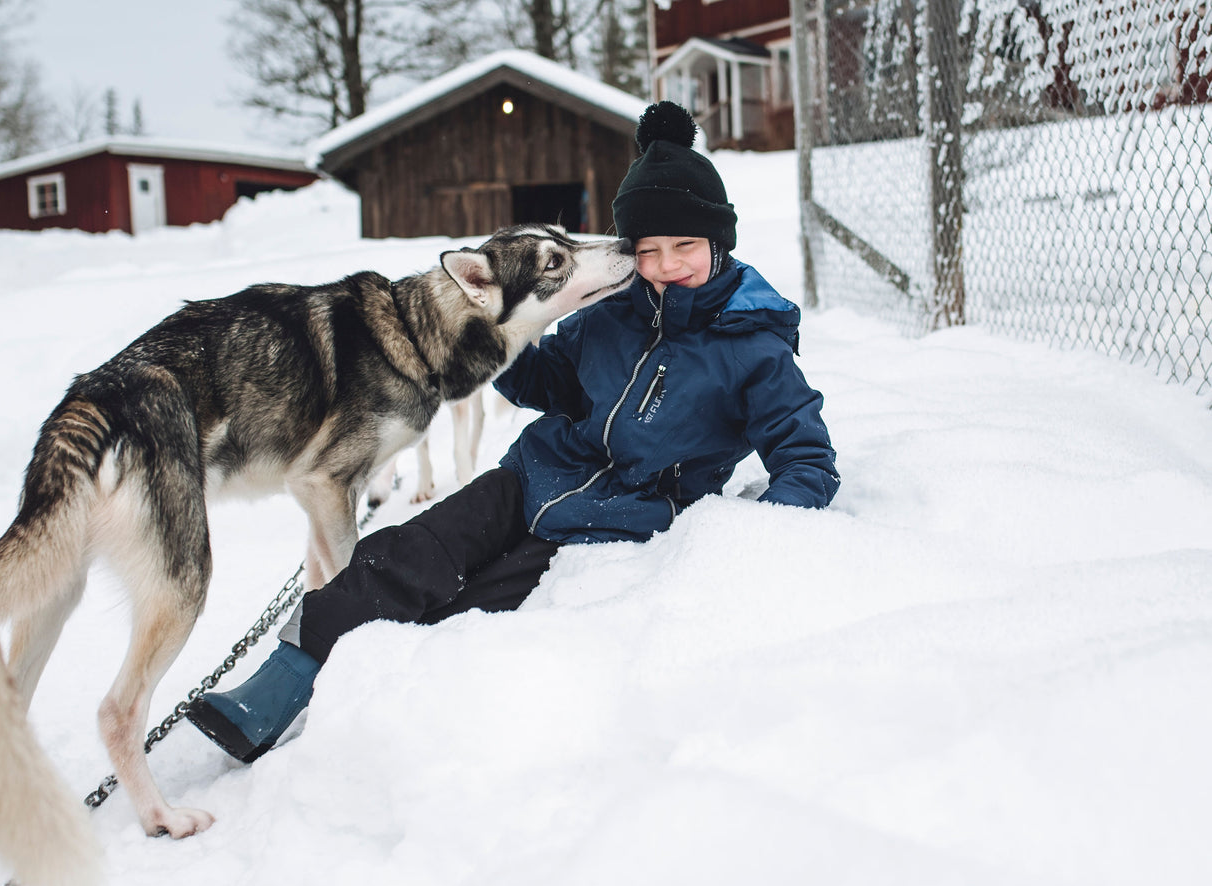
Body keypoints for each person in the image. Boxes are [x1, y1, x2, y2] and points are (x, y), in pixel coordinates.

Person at [185, 100, 839, 765]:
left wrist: (759, 529)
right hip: (525, 476)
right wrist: (503, 339)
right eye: (648, 250)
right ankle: (279, 682)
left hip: (608, 518)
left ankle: (369, 703)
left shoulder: (750, 344)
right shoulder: (614, 311)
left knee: (467, 608)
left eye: (684, 247)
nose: (666, 265)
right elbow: (549, 383)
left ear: (717, 242)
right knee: (405, 554)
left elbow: (805, 456)